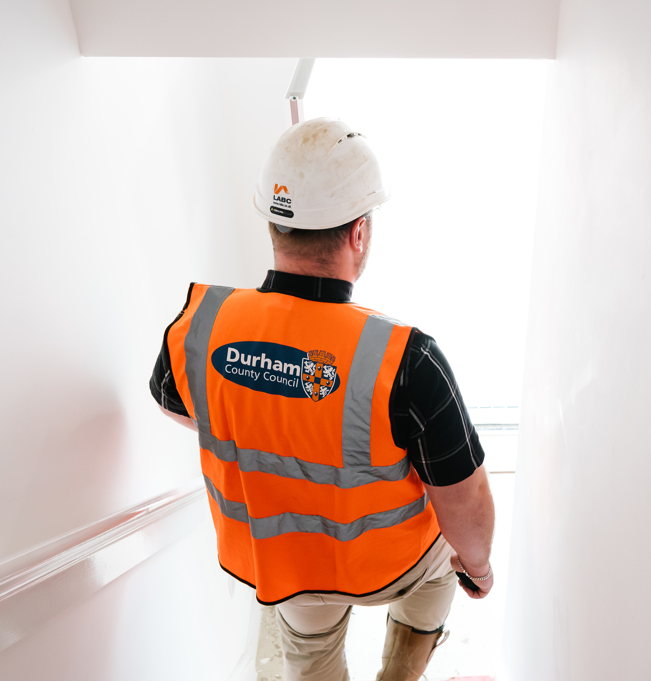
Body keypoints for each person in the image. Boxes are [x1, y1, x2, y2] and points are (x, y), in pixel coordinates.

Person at [149, 117, 495, 681]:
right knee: (442, 566)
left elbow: (173, 402)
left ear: (273, 225)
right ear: (358, 233)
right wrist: (477, 567)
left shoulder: (202, 326)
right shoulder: (409, 359)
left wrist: (268, 415)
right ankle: (401, 672)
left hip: (289, 566)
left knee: (310, 655)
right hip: (390, 567)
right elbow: (465, 499)